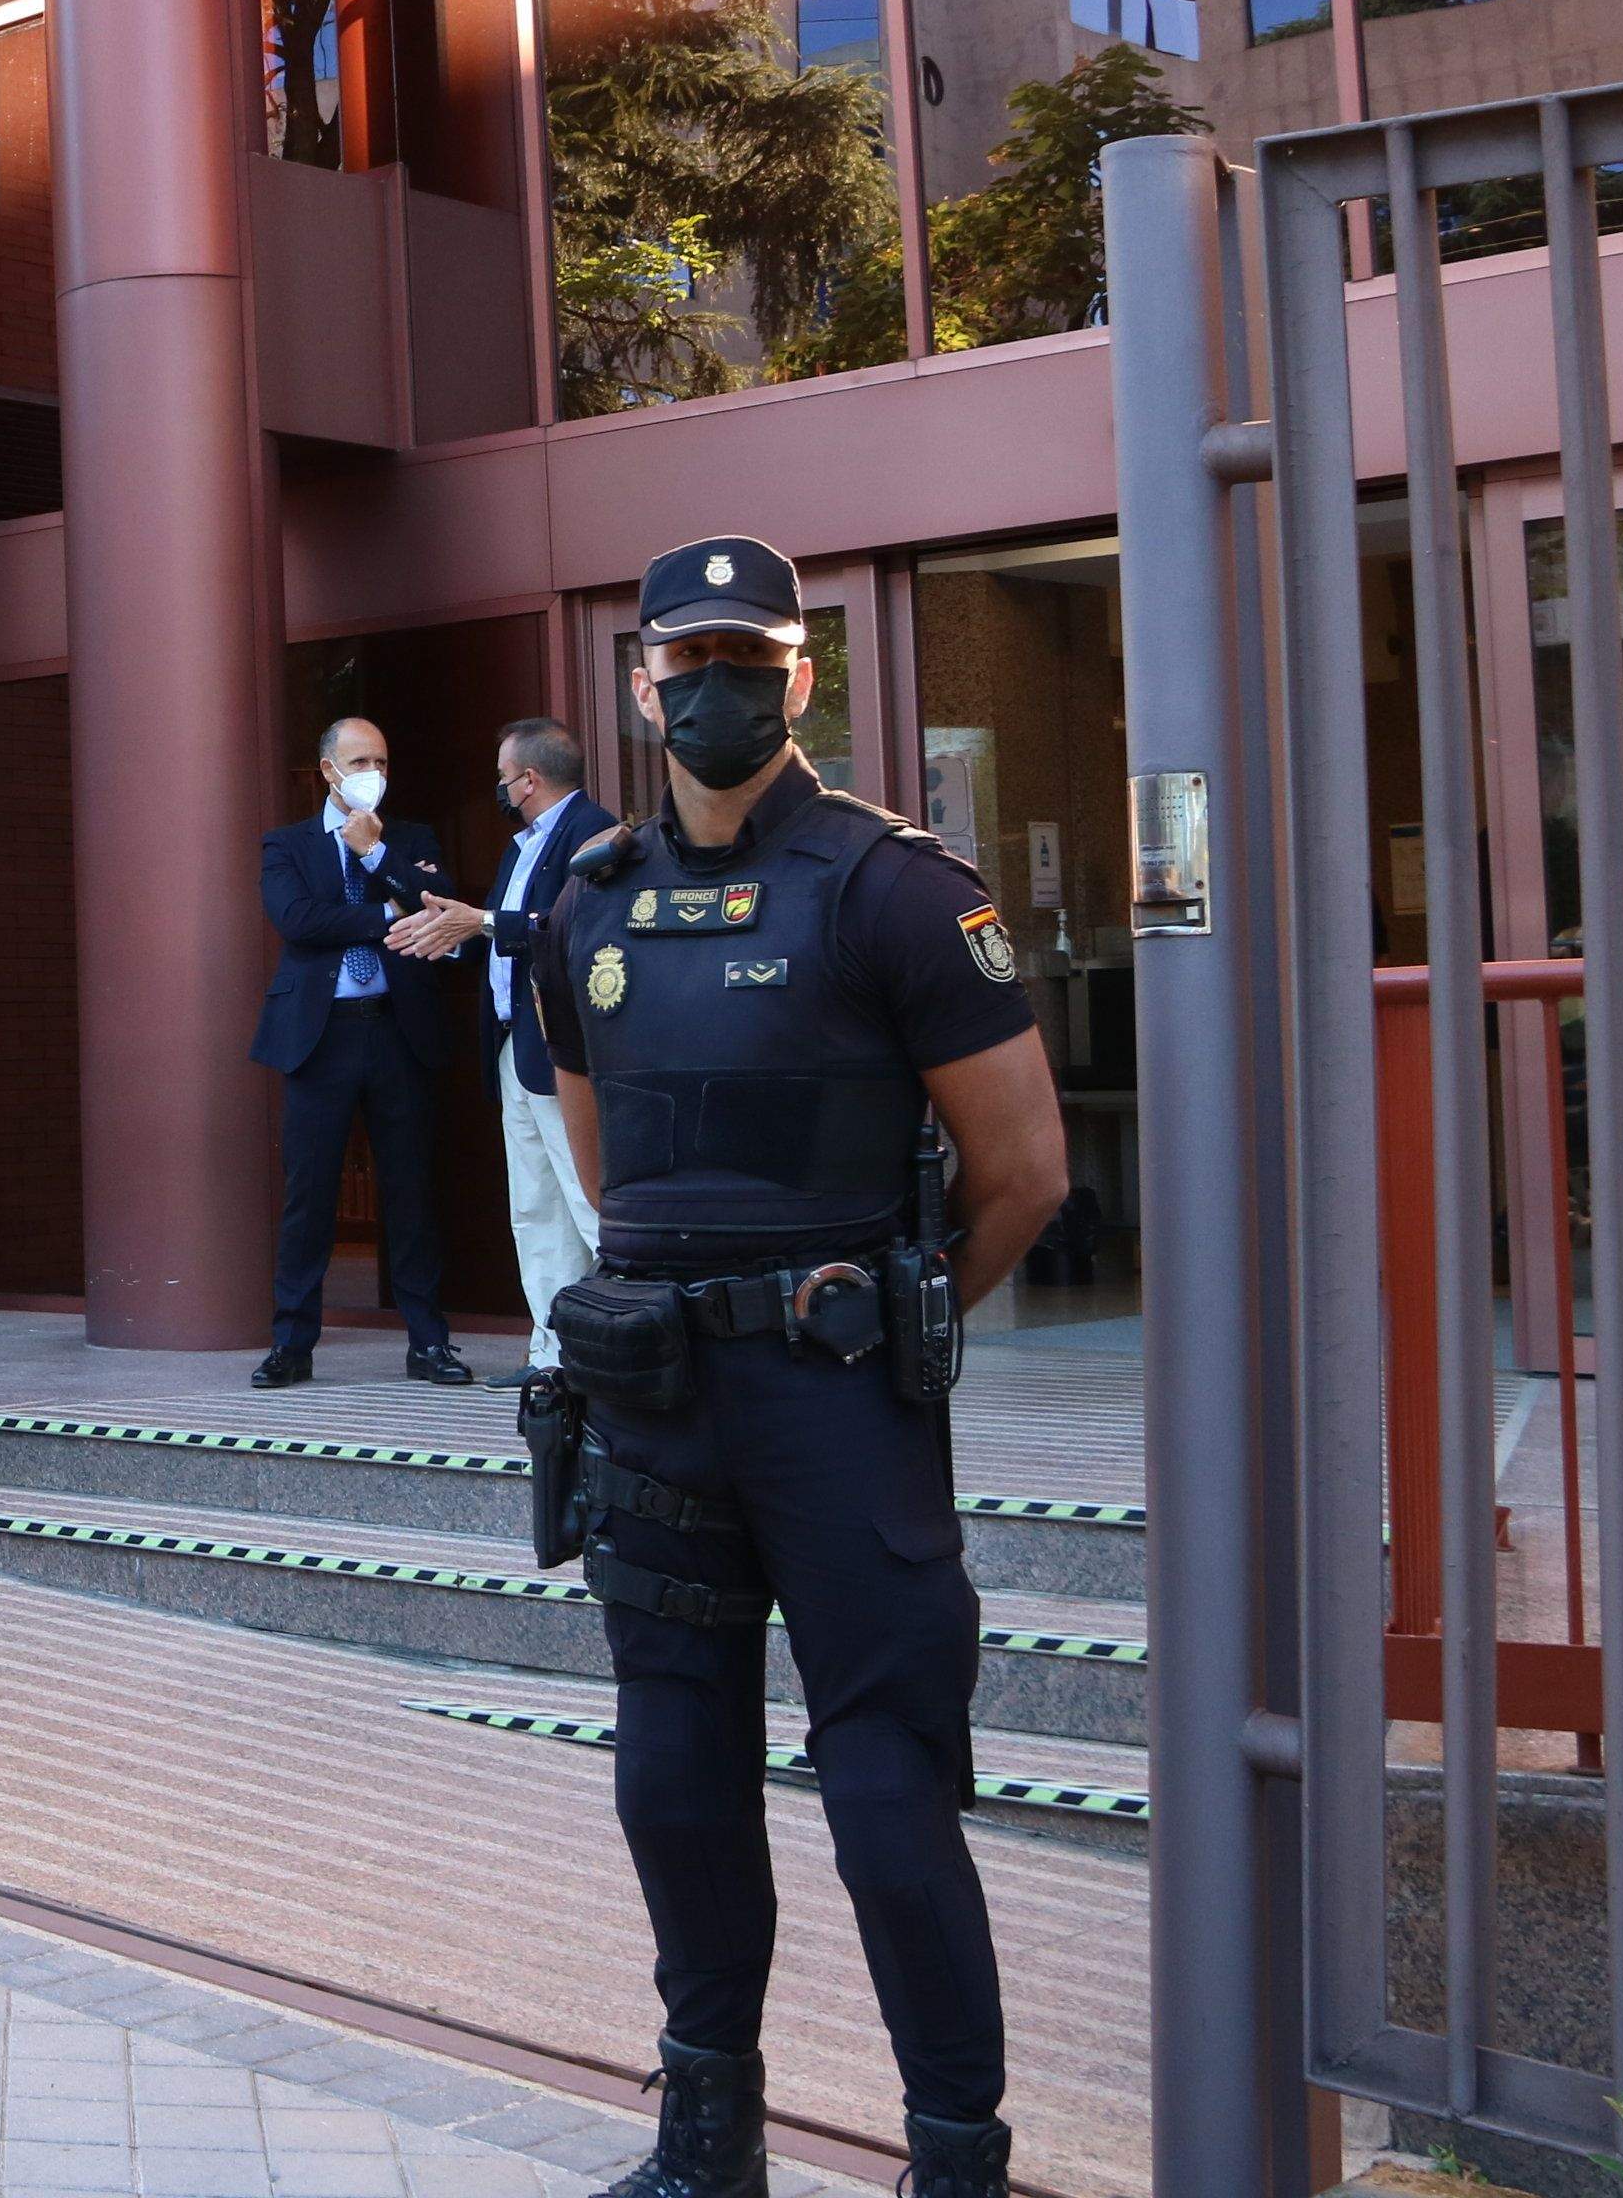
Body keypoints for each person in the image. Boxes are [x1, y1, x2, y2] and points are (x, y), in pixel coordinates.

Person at [526, 536, 1065, 2198]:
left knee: (885, 1784)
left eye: (744, 653)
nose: (711, 685)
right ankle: (707, 2145)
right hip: (656, 1406)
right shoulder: (587, 903)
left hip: (835, 1407)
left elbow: (1023, 1168)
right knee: (670, 1770)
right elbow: (612, 1173)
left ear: (802, 670)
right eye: (681, 658)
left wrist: (879, 1311)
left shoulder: (896, 884)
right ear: (636, 680)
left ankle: (955, 2162)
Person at [250, 716, 471, 1386]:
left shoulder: (411, 840)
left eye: (380, 758)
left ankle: (428, 1341)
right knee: (309, 1192)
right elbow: (299, 921)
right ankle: (292, 1342)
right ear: (328, 772)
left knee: (410, 1189)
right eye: (359, 760)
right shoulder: (286, 845)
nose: (373, 771)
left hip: (397, 1031)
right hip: (321, 1036)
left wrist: (377, 857)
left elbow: (436, 905)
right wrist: (385, 917)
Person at [394, 720, 612, 1381]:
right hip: (516, 1047)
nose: (499, 786)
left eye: (502, 774)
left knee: (588, 1200)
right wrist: (453, 924)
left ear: (529, 780)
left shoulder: (594, 835)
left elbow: (582, 929)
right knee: (536, 1208)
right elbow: (506, 930)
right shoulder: (523, 847)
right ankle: (554, 1355)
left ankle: (624, 1344)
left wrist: (481, 920)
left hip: (565, 1053)